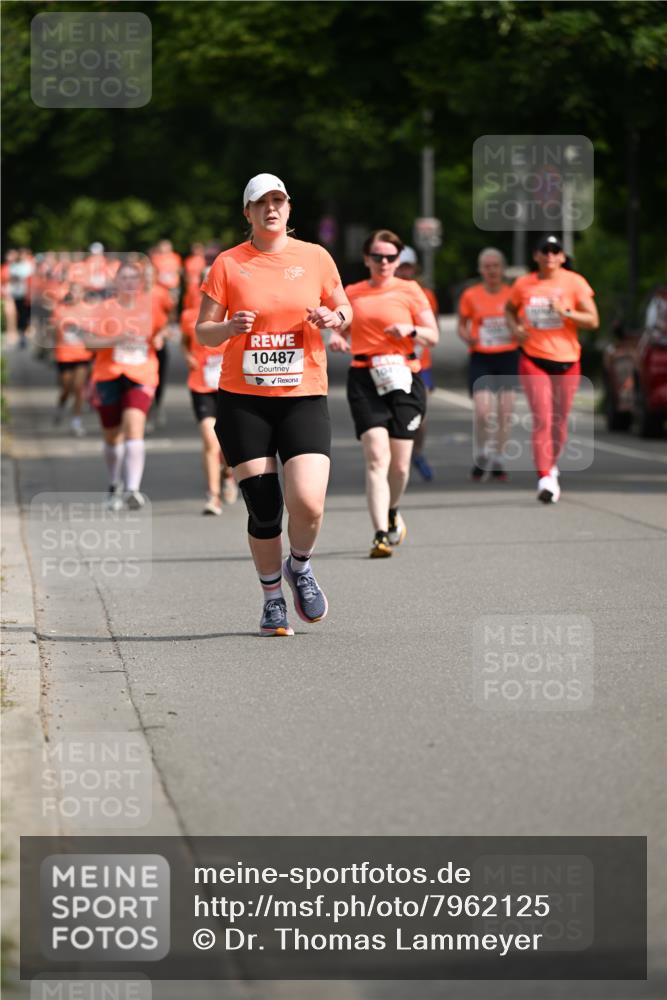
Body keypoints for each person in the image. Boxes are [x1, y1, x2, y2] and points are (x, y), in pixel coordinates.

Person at [196, 173, 352, 636]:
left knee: (308, 501)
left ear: (288, 208)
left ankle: (299, 566)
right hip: (244, 401)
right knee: (265, 507)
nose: (271, 208)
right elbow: (203, 332)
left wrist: (333, 316)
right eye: (260, 202)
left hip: (303, 394)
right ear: (247, 213)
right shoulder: (227, 264)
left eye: (278, 201)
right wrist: (227, 328)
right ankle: (270, 599)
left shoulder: (315, 257)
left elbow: (345, 307)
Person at [344, 230, 439, 558]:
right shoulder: (353, 292)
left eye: (390, 257)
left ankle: (393, 509)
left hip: (404, 377)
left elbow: (433, 335)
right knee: (376, 458)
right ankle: (380, 534)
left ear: (398, 260)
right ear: (366, 258)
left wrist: (410, 330)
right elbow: (339, 326)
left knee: (399, 467)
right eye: (377, 256)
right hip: (364, 378)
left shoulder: (410, 291)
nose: (384, 263)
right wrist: (337, 338)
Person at [505, 234, 599, 503]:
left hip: (567, 359)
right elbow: (509, 309)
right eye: (543, 251)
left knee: (559, 423)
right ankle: (545, 477)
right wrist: (515, 328)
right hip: (533, 357)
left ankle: (551, 464)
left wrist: (566, 312)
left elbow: (593, 320)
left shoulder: (575, 282)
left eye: (554, 251)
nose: (549, 256)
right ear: (535, 256)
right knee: (543, 418)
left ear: (561, 256)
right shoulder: (524, 284)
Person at [88, 261, 170, 510]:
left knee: (134, 426)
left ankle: (133, 489)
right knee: (112, 436)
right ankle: (115, 484)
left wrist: (159, 337)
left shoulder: (151, 306)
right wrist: (115, 339)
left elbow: (162, 329)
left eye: (134, 278)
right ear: (116, 282)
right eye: (124, 278)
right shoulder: (104, 309)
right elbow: (88, 344)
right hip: (108, 373)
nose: (130, 283)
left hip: (142, 374)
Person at [457, 248, 517, 481]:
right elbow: (462, 324)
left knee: (504, 411)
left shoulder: (513, 294)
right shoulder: (471, 295)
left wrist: (518, 331)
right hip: (481, 356)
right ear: (480, 270)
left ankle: (499, 458)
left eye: (495, 266)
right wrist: (466, 336)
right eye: (487, 266)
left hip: (508, 356)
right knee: (483, 411)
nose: (491, 270)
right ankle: (482, 453)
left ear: (502, 269)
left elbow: (522, 322)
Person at [180, 303, 238, 514]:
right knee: (210, 440)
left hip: (231, 385)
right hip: (201, 385)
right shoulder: (189, 314)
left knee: (228, 442)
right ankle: (213, 496)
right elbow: (184, 342)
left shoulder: (239, 313)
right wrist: (187, 355)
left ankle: (229, 475)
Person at [395, 245, 439, 481]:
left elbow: (434, 332)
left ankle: (418, 453)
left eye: (408, 266)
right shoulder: (385, 293)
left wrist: (412, 334)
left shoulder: (425, 295)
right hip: (389, 363)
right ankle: (393, 459)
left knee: (420, 415)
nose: (404, 271)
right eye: (400, 266)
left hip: (420, 364)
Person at [50, 281, 93, 436]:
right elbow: (54, 333)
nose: (75, 294)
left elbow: (94, 331)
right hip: (64, 354)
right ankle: (61, 405)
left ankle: (76, 421)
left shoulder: (89, 310)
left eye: (78, 291)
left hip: (82, 355)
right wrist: (52, 352)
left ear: (83, 293)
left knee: (79, 387)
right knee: (66, 389)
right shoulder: (60, 310)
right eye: (73, 291)